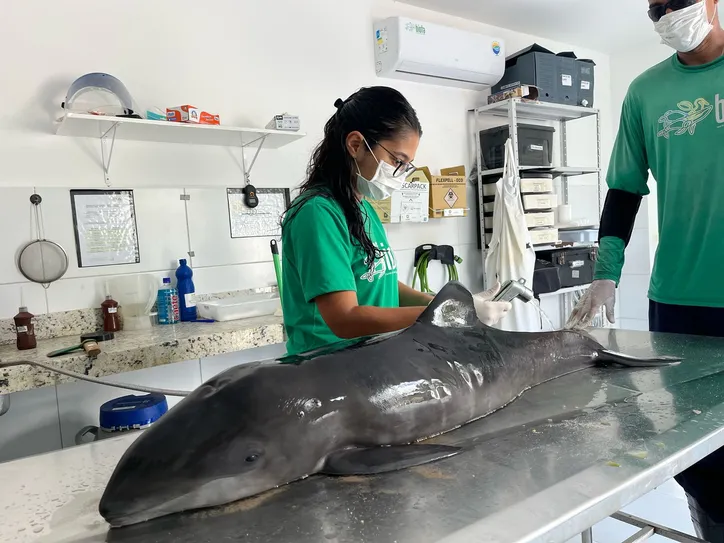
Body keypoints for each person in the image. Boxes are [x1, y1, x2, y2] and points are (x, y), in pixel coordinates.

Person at [566, 0, 724, 540]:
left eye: (676, 1)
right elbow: (624, 191)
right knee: (698, 449)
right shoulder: (645, 91)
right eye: (655, 6)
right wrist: (605, 273)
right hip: (680, 299)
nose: (665, 13)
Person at [280, 86, 512, 357]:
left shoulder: (363, 208)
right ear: (355, 145)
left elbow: (385, 285)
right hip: (327, 370)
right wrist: (450, 314)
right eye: (397, 160)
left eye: (407, 165)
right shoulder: (318, 213)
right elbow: (344, 318)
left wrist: (456, 304)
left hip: (368, 361)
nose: (401, 173)